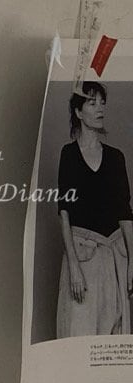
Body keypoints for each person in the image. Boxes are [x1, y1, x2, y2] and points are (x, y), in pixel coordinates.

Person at [56, 79, 133, 337]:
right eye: (92, 103)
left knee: (115, 337)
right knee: (79, 332)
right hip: (83, 256)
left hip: (116, 256)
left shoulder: (116, 157)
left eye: (102, 103)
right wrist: (73, 266)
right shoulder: (69, 155)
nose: (100, 108)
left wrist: (132, 262)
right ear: (78, 112)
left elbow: (125, 213)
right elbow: (64, 213)